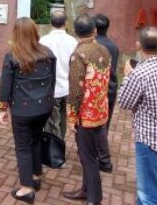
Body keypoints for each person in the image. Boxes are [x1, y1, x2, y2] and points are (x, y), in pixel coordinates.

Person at [117, 26, 157, 205]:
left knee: (150, 195)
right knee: (150, 183)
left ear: (138, 46)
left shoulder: (139, 73)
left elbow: (124, 103)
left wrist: (128, 76)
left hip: (149, 140)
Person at [0, 17, 56, 204]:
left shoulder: (13, 55)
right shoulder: (48, 53)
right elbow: (52, 81)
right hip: (44, 106)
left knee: (23, 147)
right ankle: (36, 175)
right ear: (34, 32)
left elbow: (6, 85)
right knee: (36, 139)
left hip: (23, 111)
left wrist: (3, 108)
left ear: (16, 33)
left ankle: (27, 188)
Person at [62, 15, 111, 205]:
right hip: (101, 110)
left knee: (88, 157)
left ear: (75, 32)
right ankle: (86, 190)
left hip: (86, 115)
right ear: (95, 31)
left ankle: (94, 198)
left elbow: (75, 89)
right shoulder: (105, 50)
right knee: (90, 155)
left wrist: (72, 116)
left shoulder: (79, 54)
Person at [39, 10, 77, 143]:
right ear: (65, 23)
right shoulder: (73, 41)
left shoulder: (43, 41)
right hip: (67, 87)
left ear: (50, 23)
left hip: (50, 88)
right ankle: (59, 145)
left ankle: (54, 150)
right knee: (63, 119)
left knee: (51, 121)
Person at [93, 14, 118, 173]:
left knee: (93, 123)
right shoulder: (113, 46)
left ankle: (101, 157)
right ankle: (101, 152)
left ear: (94, 29)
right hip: (110, 89)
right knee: (104, 123)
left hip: (95, 90)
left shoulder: (92, 46)